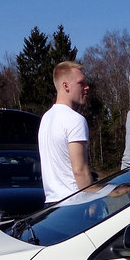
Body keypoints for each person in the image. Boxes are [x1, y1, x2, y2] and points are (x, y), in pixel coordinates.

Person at [38, 61, 94, 203]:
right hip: (74, 205)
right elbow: (80, 170)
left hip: (51, 205)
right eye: (81, 83)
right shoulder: (75, 120)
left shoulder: (46, 119)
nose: (87, 88)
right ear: (65, 86)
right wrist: (92, 203)